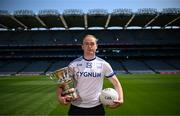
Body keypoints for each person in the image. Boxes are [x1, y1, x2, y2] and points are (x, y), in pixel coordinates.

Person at [56, 34, 124, 115]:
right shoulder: (73, 64)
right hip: (76, 107)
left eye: (92, 44)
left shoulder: (104, 64)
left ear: (96, 46)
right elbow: (62, 83)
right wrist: (60, 97)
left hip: (97, 108)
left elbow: (116, 83)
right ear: (82, 46)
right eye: (86, 44)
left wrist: (121, 98)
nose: (89, 46)